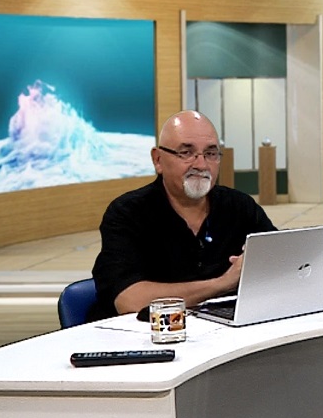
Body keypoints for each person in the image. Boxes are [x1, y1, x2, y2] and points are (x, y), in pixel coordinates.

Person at [88, 110, 276, 321]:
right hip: (147, 334)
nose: (201, 165)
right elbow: (130, 301)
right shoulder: (127, 213)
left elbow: (282, 264)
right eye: (186, 153)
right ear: (158, 160)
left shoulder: (240, 207)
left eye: (211, 154)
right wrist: (223, 283)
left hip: (224, 332)